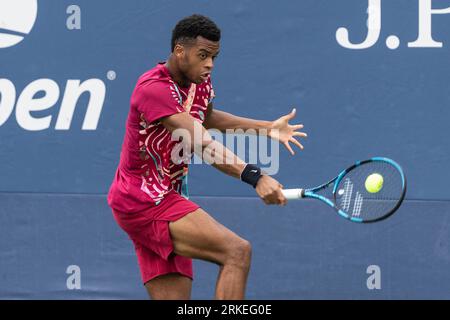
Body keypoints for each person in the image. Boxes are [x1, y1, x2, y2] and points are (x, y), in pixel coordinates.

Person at [107, 14, 307, 300]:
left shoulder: (200, 83)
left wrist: (266, 128)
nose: (210, 64)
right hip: (143, 200)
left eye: (214, 57)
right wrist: (256, 176)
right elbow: (202, 143)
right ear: (180, 51)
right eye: (203, 56)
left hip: (163, 198)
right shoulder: (153, 88)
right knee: (237, 252)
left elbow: (208, 117)